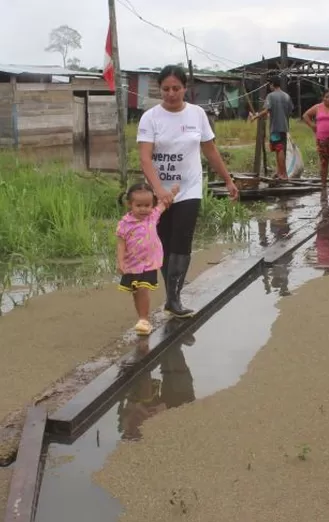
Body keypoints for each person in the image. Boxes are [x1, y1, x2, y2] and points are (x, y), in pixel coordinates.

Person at [137, 65, 240, 318]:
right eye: (166, 89)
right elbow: (145, 158)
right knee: (164, 243)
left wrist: (228, 180)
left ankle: (174, 298)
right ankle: (172, 296)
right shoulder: (150, 117)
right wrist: (159, 190)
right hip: (159, 192)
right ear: (160, 89)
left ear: (185, 89)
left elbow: (210, 150)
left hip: (189, 188)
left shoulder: (197, 115)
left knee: (182, 243)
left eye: (176, 88)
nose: (171, 94)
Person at [116, 182, 179, 336]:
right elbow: (121, 244)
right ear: (130, 204)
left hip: (149, 263)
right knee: (136, 291)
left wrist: (173, 192)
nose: (144, 209)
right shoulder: (125, 223)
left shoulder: (152, 216)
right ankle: (141, 318)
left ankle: (144, 319)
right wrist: (120, 261)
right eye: (139, 205)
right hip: (132, 264)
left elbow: (164, 203)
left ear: (152, 204)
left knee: (143, 289)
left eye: (147, 205)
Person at [249, 77, 294, 180]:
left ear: (273, 85)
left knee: (279, 149)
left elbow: (266, 111)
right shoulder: (286, 96)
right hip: (284, 126)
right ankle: (280, 172)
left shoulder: (270, 96)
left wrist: (255, 117)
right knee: (281, 148)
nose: (269, 87)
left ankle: (283, 175)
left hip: (276, 126)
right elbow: (290, 110)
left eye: (270, 85)